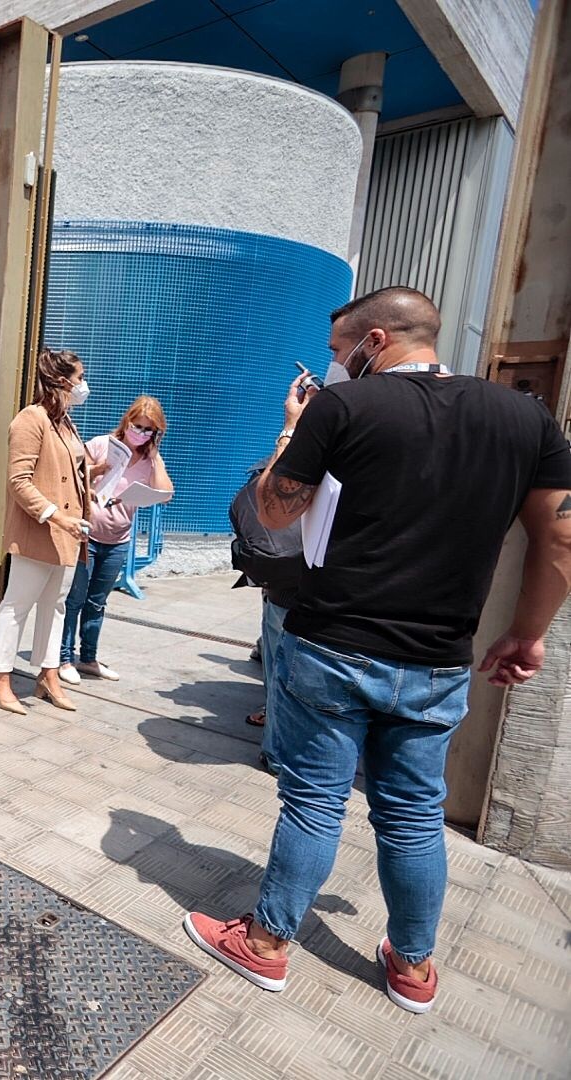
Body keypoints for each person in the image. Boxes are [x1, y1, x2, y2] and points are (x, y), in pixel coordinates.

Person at [184, 287, 571, 1016]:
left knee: (314, 804)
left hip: (332, 644)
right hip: (440, 659)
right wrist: (529, 631)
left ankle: (265, 947)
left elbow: (274, 510)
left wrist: (293, 431)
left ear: (376, 341)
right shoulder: (526, 417)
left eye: (339, 351)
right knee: (415, 816)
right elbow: (561, 534)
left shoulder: (343, 407)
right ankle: (413, 966)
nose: (335, 365)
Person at [0, 349, 92, 714]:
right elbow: (18, 481)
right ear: (61, 380)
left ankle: (48, 676)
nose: (83, 385)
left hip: (71, 530)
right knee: (17, 605)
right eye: (79, 377)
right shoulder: (31, 419)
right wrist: (56, 517)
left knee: (56, 606)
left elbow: (71, 473)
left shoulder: (65, 422)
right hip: (41, 529)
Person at [58, 395, 173, 686]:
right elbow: (70, 474)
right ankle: (64, 658)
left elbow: (165, 492)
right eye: (138, 426)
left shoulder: (149, 461)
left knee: (97, 602)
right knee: (75, 599)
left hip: (118, 540)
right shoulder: (101, 444)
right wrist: (97, 472)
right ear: (127, 421)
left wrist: (155, 455)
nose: (142, 433)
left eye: (149, 430)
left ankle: (88, 658)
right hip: (87, 535)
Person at [228, 457, 304, 774]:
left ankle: (276, 752)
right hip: (315, 593)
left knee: (279, 675)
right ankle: (282, 752)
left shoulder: (280, 468)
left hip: (283, 590)